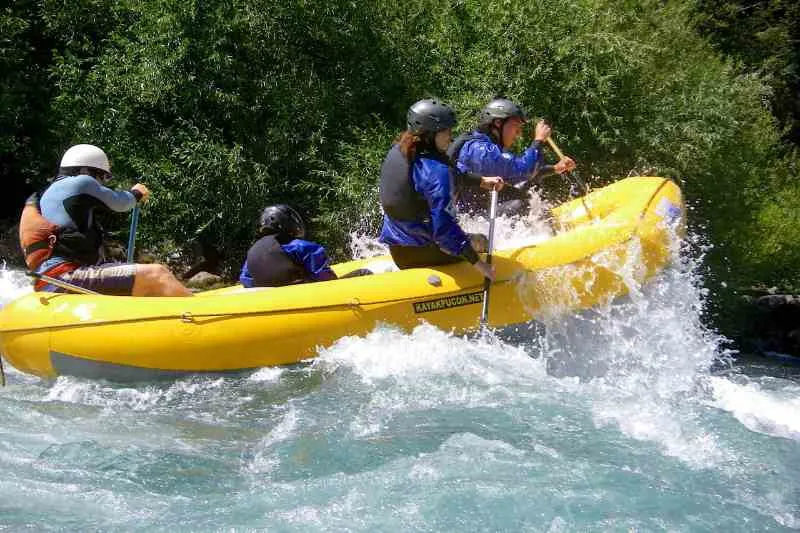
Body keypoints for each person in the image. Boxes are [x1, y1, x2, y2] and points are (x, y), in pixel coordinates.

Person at [19, 144, 192, 296]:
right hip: (66, 276)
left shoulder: (49, 192)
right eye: (103, 176)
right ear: (86, 171)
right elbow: (120, 203)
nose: (102, 183)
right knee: (157, 273)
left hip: (50, 279)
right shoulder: (82, 182)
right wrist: (136, 194)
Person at [378, 98, 502, 280]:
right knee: (482, 241)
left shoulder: (400, 151)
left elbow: (434, 177)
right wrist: (480, 264)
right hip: (427, 253)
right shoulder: (437, 171)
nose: (451, 137)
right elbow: (444, 230)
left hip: (398, 251)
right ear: (430, 134)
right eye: (446, 131)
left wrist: (480, 181)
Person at [448, 97, 576, 216]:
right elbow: (524, 170)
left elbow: (518, 175)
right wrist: (538, 141)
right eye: (516, 126)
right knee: (519, 203)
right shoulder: (481, 151)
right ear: (498, 123)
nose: (518, 133)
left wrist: (555, 168)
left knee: (526, 189)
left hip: (478, 212)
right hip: (469, 220)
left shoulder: (486, 147)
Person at [239, 204, 339, 287]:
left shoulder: (252, 253)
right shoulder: (303, 247)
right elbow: (326, 278)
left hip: (268, 300)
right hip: (303, 296)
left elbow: (244, 279)